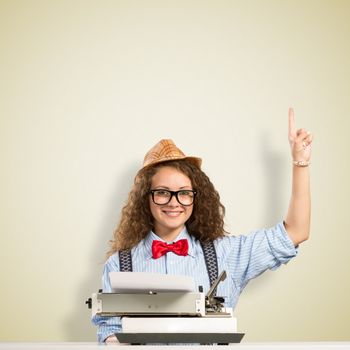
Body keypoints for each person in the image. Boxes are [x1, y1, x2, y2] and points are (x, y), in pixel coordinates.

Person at [92, 108, 313, 344]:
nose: (174, 202)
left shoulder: (225, 254)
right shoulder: (119, 264)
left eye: (184, 193)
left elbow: (296, 232)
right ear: (145, 198)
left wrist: (300, 163)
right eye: (162, 193)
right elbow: (110, 332)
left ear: (196, 198)